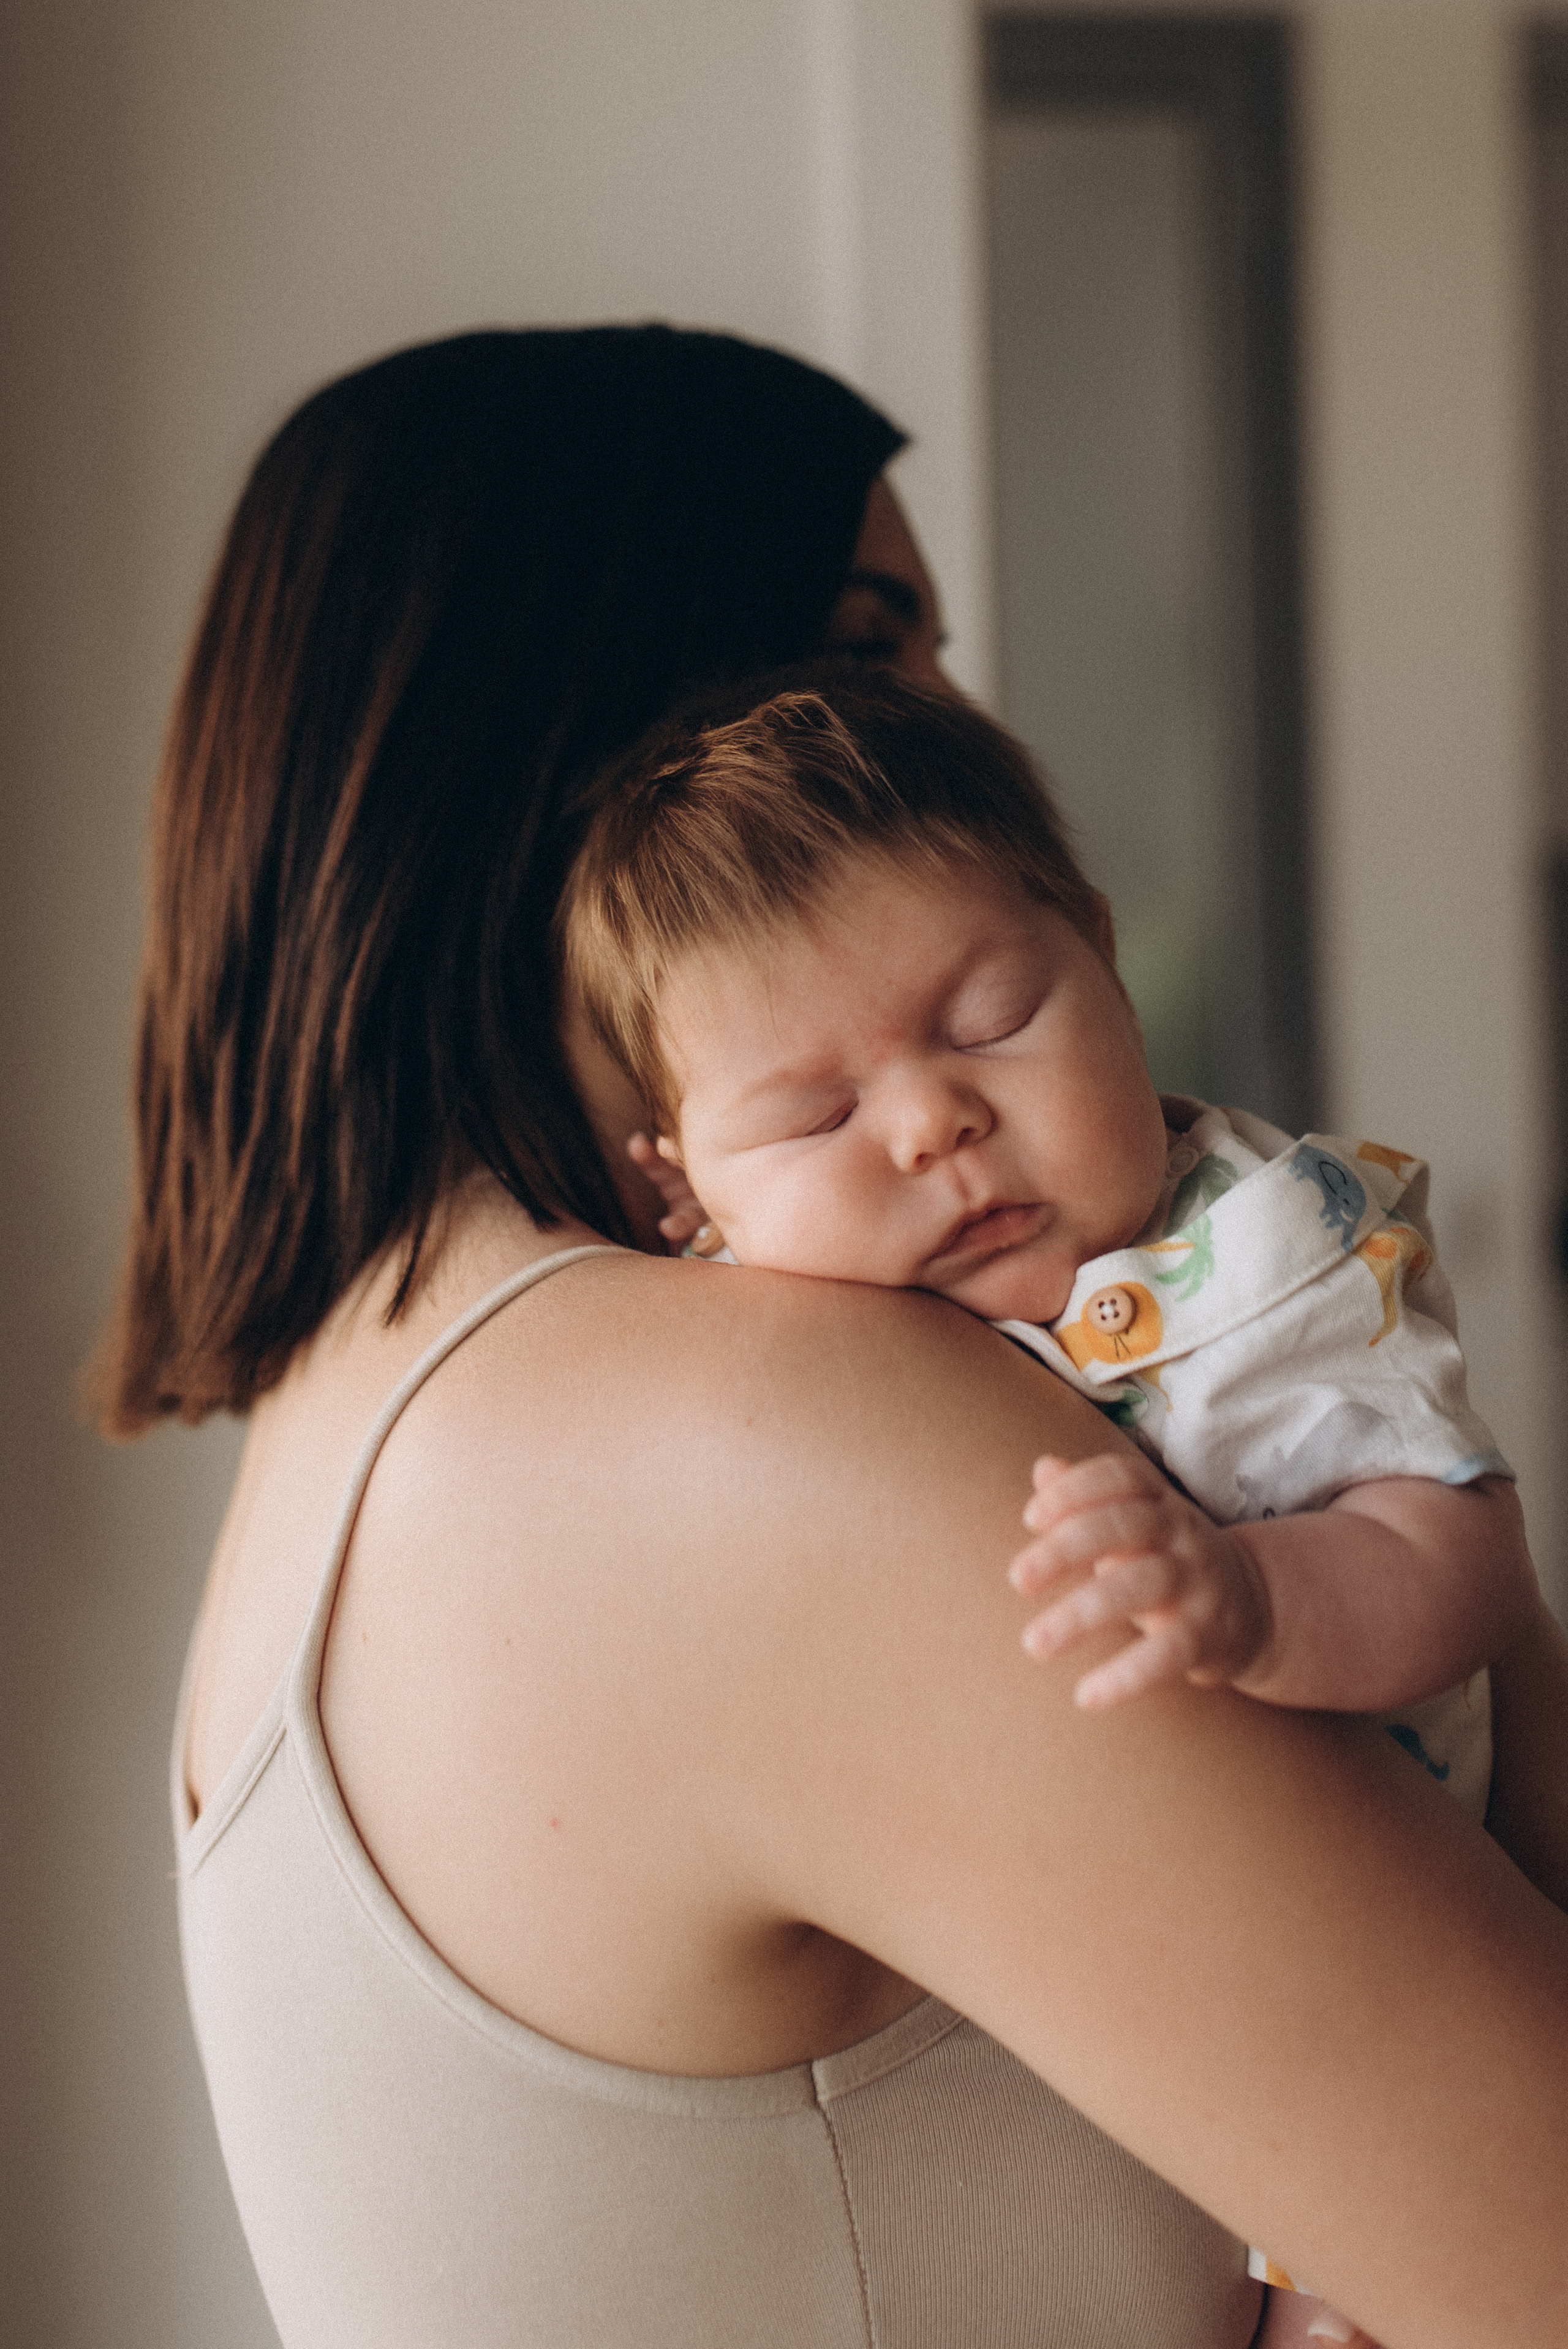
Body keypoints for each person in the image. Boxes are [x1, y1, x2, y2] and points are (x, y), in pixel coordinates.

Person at [94, 327, 1568, 2349]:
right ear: (592, 731)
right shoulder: (749, 1418)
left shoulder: (353, 1436)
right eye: (874, 651)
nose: (957, 731)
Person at [560, 664, 1545, 2343]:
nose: (932, 1120)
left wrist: (1257, 1595)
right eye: (815, 1114)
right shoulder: (750, 1360)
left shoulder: (1259, 1260)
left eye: (990, 1021)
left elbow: (1462, 1559)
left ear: (1100, 948)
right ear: (685, 1193)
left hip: (1398, 1941)